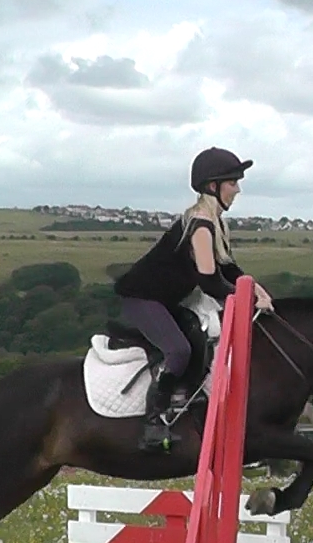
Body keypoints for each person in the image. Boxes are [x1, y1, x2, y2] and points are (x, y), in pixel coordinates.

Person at [114, 146, 273, 451]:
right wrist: (247, 299)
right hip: (142, 299)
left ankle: (186, 400)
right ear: (213, 186)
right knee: (179, 350)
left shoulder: (215, 222)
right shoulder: (200, 226)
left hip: (165, 300)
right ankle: (153, 422)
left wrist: (256, 289)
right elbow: (210, 282)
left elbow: (228, 268)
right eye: (232, 183)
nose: (237, 190)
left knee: (200, 340)